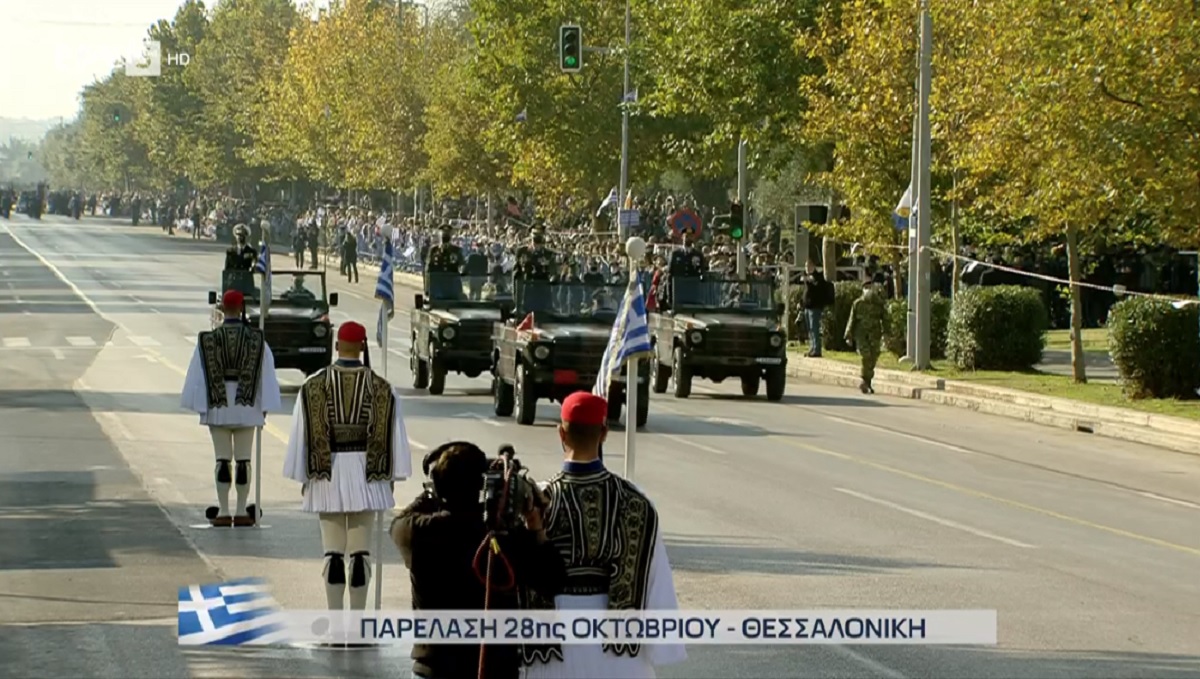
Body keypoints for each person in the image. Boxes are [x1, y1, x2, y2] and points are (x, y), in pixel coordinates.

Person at [522, 392, 686, 679]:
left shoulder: (537, 500)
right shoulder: (637, 501)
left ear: (561, 433)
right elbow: (655, 578)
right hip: (618, 649)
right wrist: (662, 647)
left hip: (554, 645)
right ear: (604, 433)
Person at [391, 442, 566, 679]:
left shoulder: (417, 533)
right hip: (494, 668)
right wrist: (535, 525)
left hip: (433, 668)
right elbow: (553, 579)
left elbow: (401, 519)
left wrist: (433, 489)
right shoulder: (503, 537)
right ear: (480, 486)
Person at [283, 321, 413, 610]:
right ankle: (357, 623)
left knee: (332, 553)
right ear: (363, 347)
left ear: (337, 346)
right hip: (368, 474)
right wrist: (389, 477)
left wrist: (305, 475)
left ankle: (335, 621)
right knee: (360, 554)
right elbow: (394, 438)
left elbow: (301, 436)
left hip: (326, 473)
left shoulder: (313, 385)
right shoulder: (383, 388)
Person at [180, 289, 284, 526]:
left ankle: (224, 511)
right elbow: (266, 375)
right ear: (242, 308)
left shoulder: (208, 340)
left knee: (222, 460)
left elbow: (198, 376)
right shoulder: (257, 340)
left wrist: (201, 406)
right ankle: (241, 510)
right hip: (247, 406)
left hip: (219, 406)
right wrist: (264, 406)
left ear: (221, 308)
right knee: (244, 460)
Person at [844, 273, 887, 394]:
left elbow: (885, 319)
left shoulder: (879, 303)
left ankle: (867, 382)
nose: (868, 289)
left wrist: (887, 334)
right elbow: (851, 320)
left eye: (870, 286)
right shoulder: (858, 303)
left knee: (873, 358)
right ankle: (864, 380)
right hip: (861, 334)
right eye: (866, 287)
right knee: (865, 356)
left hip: (875, 334)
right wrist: (849, 336)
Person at [800, 261, 835, 357]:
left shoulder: (818, 277)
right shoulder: (807, 277)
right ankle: (812, 348)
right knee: (810, 329)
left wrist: (808, 279)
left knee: (814, 328)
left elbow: (816, 286)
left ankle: (817, 350)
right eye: (806, 266)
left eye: (809, 266)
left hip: (814, 307)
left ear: (813, 266)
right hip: (807, 307)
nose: (807, 268)